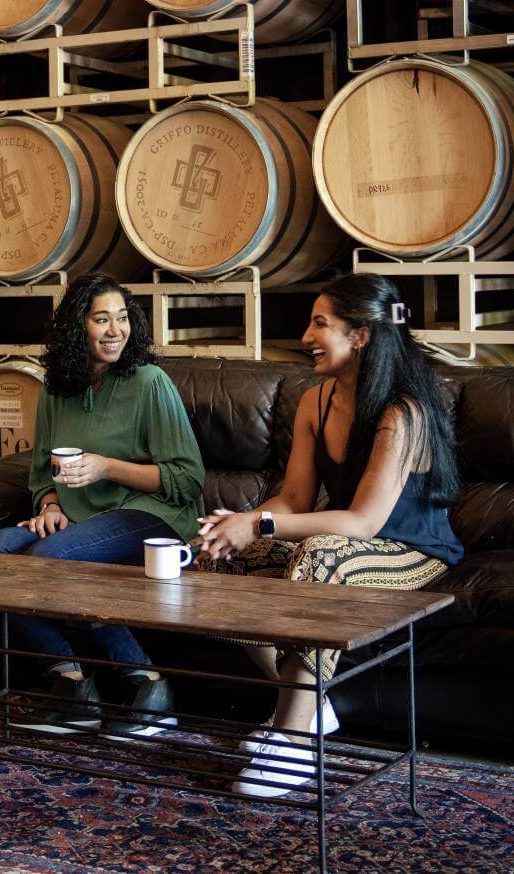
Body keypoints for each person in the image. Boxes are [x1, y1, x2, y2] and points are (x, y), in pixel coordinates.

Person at [197, 274, 463, 797]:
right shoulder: (316, 402)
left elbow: (364, 522)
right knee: (215, 561)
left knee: (320, 558)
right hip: (343, 545)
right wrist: (234, 527)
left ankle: (293, 742)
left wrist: (260, 524)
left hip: (413, 551)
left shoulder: (402, 412)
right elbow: (294, 500)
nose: (305, 335)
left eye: (321, 324)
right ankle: (312, 704)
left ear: (360, 336)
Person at [0, 274, 205, 739]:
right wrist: (50, 501)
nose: (114, 330)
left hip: (151, 514)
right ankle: (72, 685)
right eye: (102, 319)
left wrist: (107, 467)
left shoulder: (149, 382)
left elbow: (186, 479)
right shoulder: (57, 389)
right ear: (76, 328)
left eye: (122, 319)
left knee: (50, 558)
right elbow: (42, 468)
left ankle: (149, 682)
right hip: (80, 517)